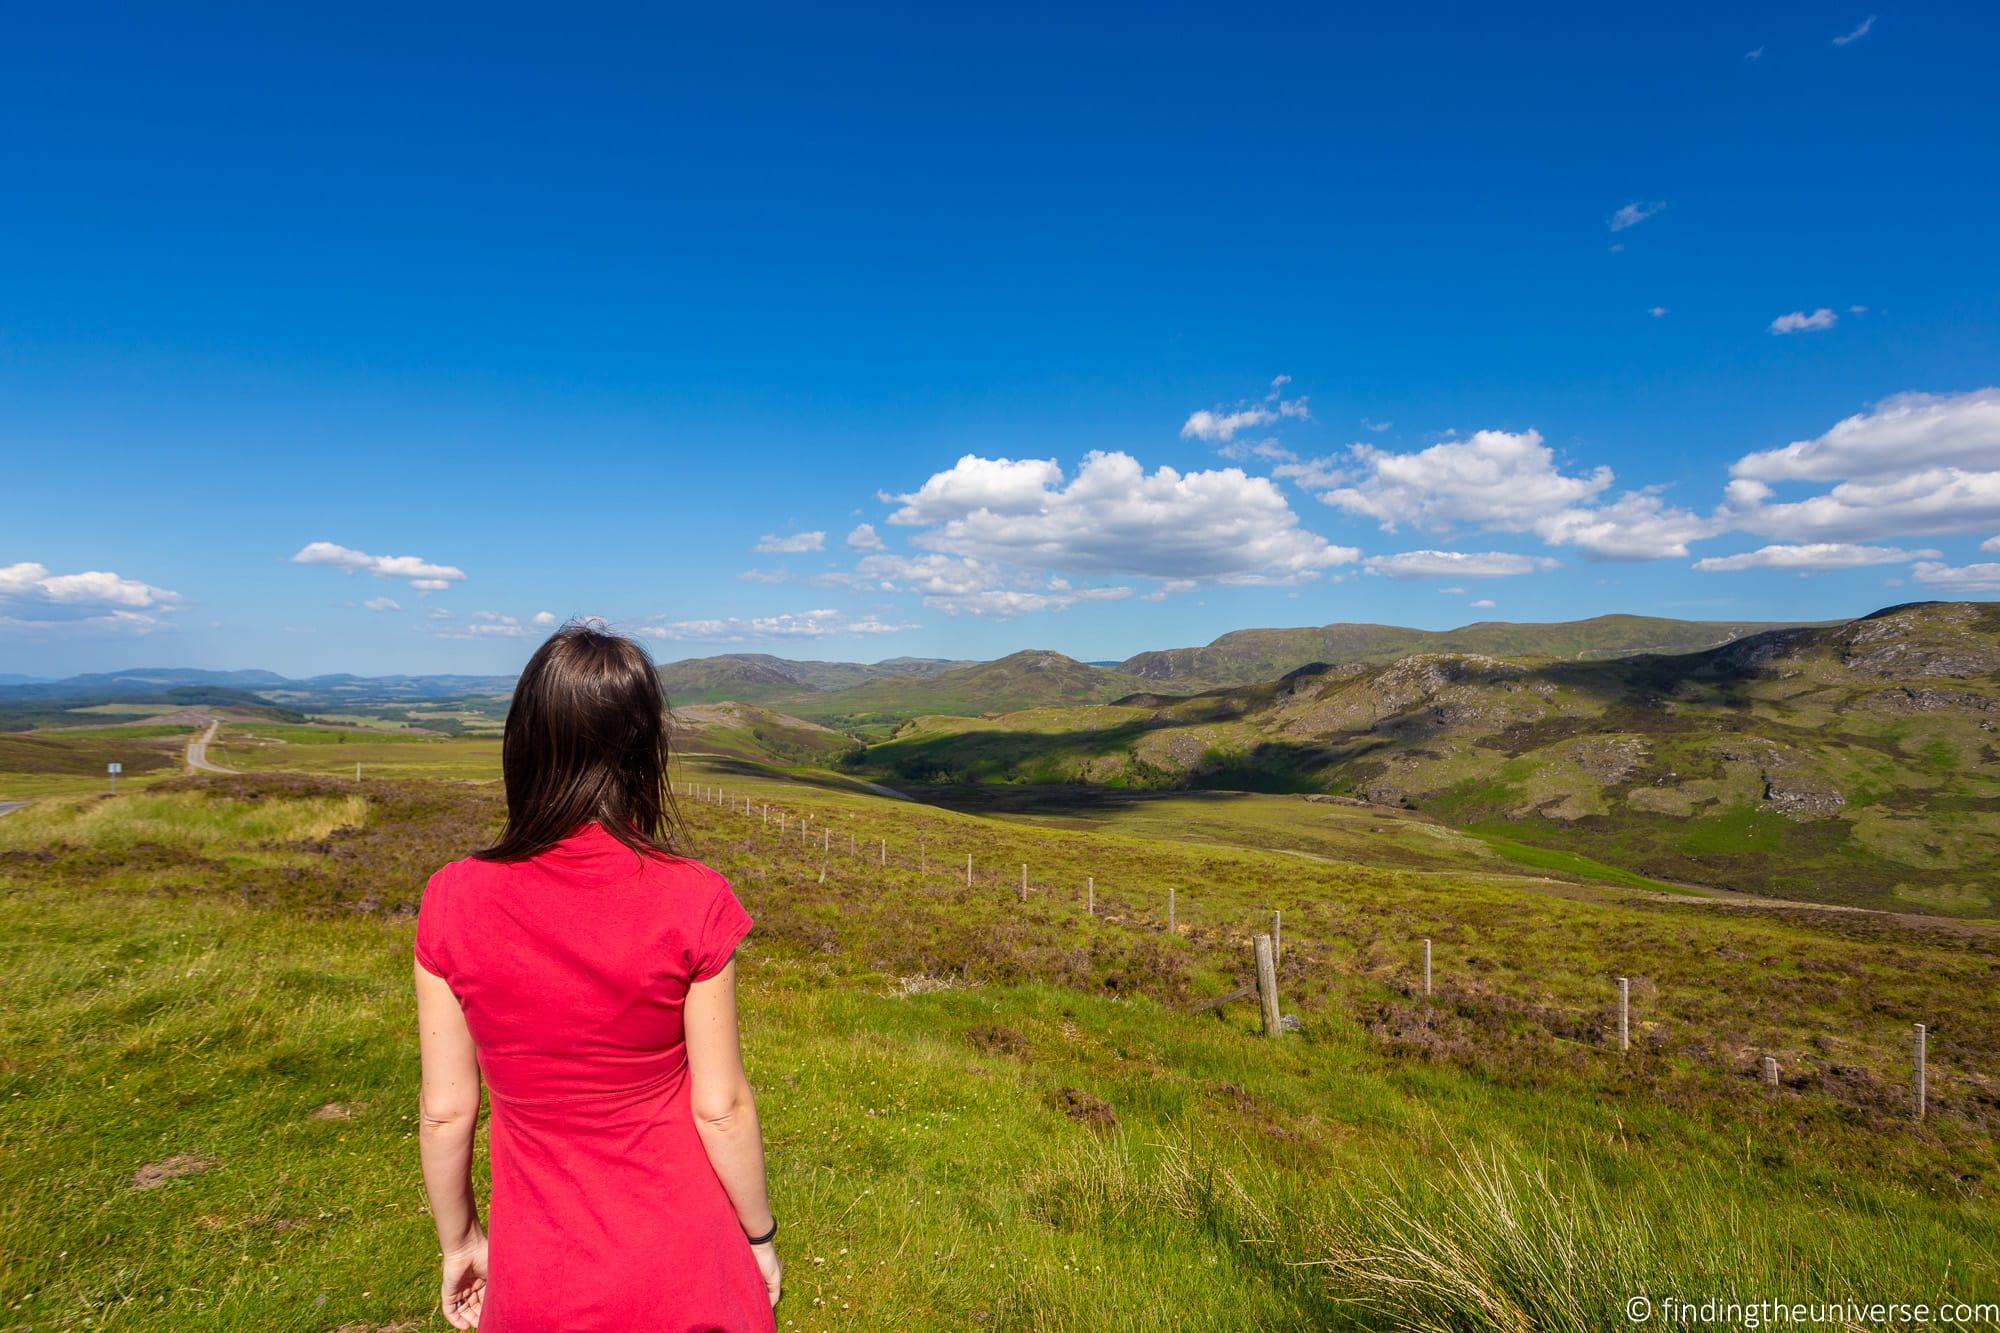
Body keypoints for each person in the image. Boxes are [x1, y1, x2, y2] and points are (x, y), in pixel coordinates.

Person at [413, 623, 781, 1330]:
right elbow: (721, 1107)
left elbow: (445, 1111)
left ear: (523, 743)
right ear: (646, 753)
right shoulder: (694, 897)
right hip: (693, 1271)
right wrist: (759, 1237)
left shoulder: (451, 900)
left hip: (540, 1283)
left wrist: (459, 1241)